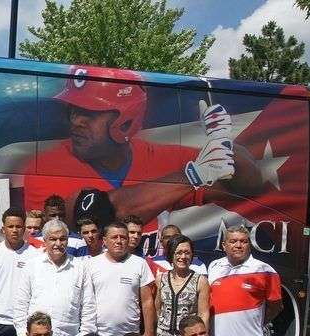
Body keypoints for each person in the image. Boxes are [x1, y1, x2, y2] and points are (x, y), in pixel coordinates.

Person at [23, 64, 263, 226]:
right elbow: (104, 212)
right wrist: (193, 175)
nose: (76, 121)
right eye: (73, 111)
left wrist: (223, 142)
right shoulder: (44, 166)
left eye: (90, 113)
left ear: (125, 120)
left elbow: (248, 183)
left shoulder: (158, 156)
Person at [13, 219, 95, 336]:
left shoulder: (80, 268)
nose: (58, 244)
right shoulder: (32, 266)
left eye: (62, 239)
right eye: (53, 239)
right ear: (45, 241)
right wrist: (22, 335)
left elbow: (88, 307)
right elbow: (21, 304)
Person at [83, 222, 155, 336]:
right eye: (114, 237)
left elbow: (147, 301)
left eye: (123, 237)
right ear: (104, 240)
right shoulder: (90, 265)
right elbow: (85, 301)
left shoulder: (139, 263)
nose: (119, 241)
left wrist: (149, 334)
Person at [0, 206, 39, 336]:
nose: (14, 230)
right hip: (0, 320)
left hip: (26, 320)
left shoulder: (36, 255)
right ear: (3, 229)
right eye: (10, 226)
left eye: (18, 226)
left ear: (24, 229)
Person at [155, 235, 210, 336]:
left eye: (187, 253)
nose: (183, 257)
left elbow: (203, 314)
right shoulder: (160, 279)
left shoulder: (201, 281)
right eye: (178, 253)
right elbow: (157, 310)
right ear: (171, 254)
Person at [28, 195, 89, 259]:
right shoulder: (34, 241)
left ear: (65, 215)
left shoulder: (79, 241)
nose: (57, 218)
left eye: (61, 215)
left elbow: (84, 266)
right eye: (53, 215)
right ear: (45, 217)